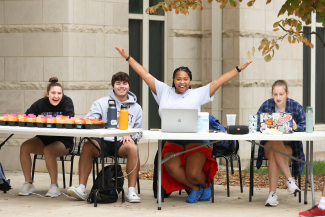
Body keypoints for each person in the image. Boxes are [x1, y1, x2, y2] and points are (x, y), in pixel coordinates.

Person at [115, 46, 253, 203]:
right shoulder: (163, 91)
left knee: (194, 173)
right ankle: (194, 188)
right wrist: (127, 57)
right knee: (171, 166)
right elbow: (144, 73)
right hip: (173, 141)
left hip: (195, 141)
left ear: (190, 80)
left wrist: (238, 69)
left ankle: (205, 185)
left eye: (185, 79)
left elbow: (219, 80)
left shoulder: (197, 93)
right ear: (173, 80)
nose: (182, 82)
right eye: (178, 79)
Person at [68, 72, 143, 203]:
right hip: (102, 141)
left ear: (129, 86)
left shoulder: (136, 108)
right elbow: (89, 121)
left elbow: (139, 131)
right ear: (113, 86)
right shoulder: (101, 103)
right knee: (87, 146)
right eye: (118, 83)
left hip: (122, 143)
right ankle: (81, 189)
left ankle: (131, 191)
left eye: (124, 83)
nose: (121, 86)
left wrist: (130, 135)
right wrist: (99, 128)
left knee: (133, 148)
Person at [19, 77, 75, 197]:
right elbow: (26, 116)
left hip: (63, 141)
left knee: (48, 150)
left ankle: (54, 186)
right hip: (43, 139)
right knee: (24, 147)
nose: (56, 96)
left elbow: (69, 119)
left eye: (59, 93)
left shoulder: (67, 102)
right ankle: (28, 183)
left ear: (62, 94)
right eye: (53, 93)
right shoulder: (40, 103)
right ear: (47, 94)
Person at [256, 80, 305, 207]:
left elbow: (306, 127)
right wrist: (265, 128)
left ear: (287, 93)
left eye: (281, 94)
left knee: (274, 154)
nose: (278, 98)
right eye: (275, 94)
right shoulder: (266, 106)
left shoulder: (296, 107)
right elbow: (256, 125)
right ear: (272, 94)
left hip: (290, 147)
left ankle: (272, 195)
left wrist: (295, 127)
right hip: (268, 144)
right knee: (275, 140)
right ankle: (290, 180)